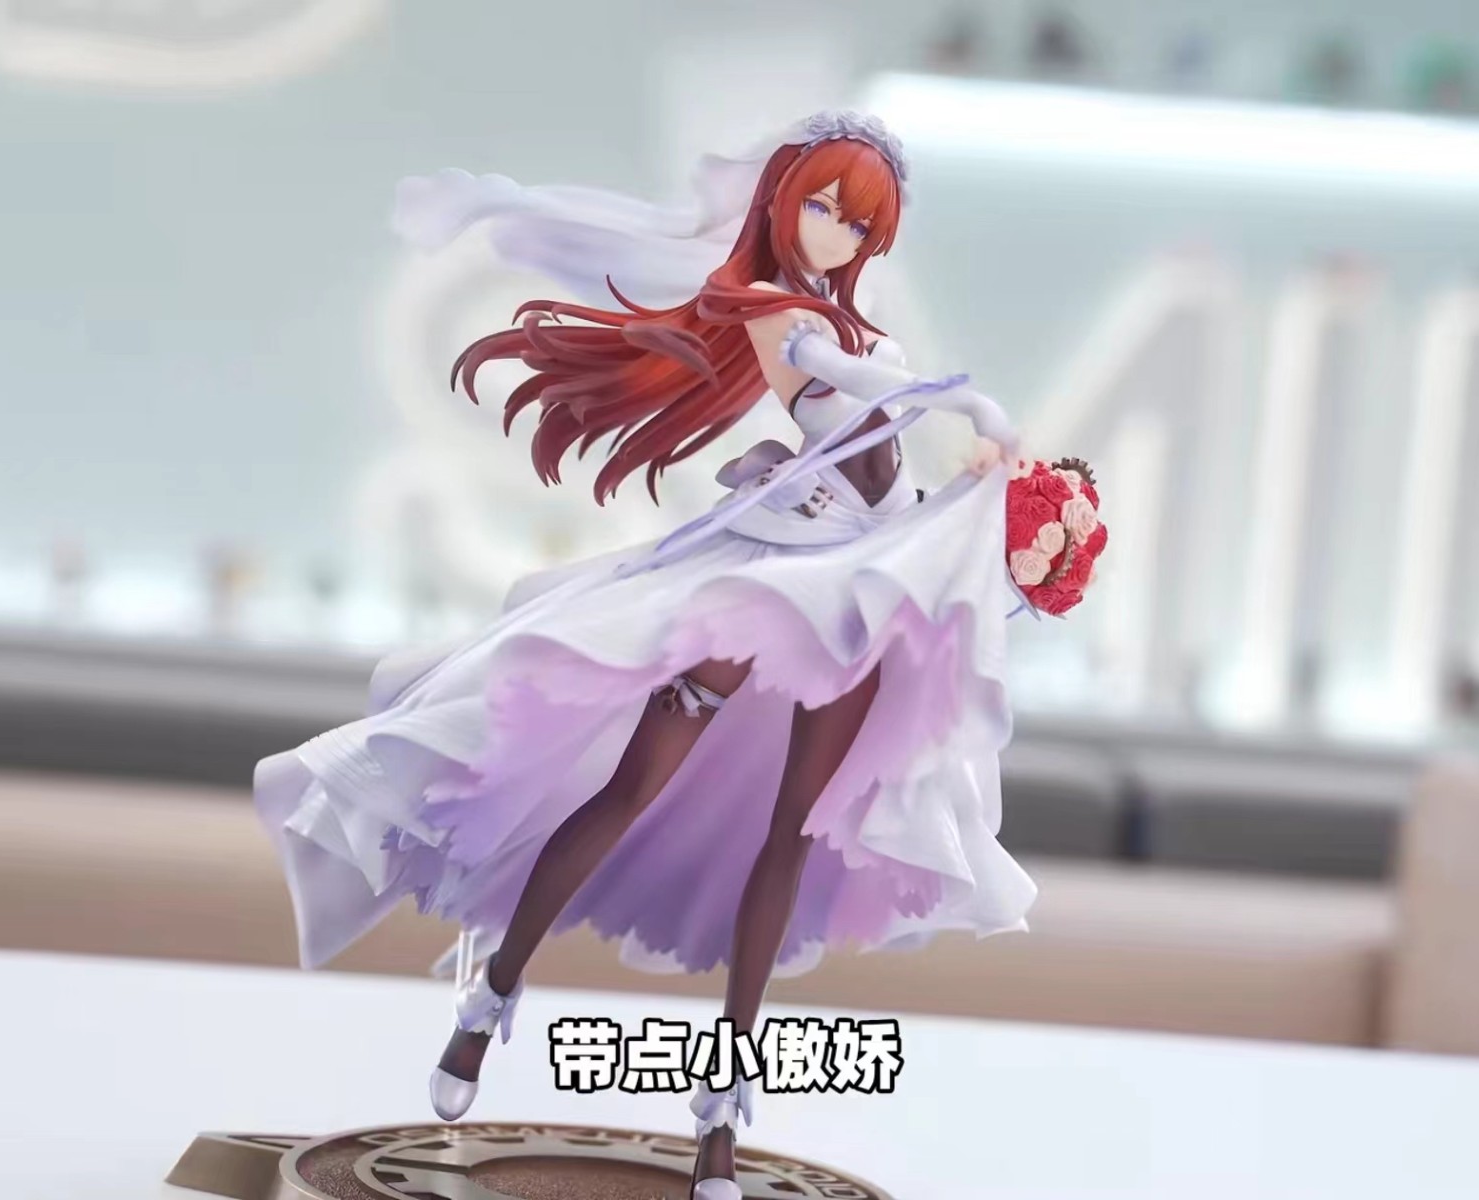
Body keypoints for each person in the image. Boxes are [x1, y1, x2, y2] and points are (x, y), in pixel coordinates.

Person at [254, 110, 1038, 1200]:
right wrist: (958, 400)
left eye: (858, 223)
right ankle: (492, 994)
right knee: (631, 788)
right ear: (781, 202)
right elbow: (833, 384)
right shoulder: (773, 309)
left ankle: (721, 1114)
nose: (833, 232)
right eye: (820, 205)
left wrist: (977, 485)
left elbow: (883, 454)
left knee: (791, 835)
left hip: (857, 581)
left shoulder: (856, 326)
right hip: (770, 579)